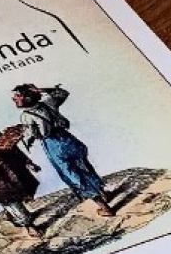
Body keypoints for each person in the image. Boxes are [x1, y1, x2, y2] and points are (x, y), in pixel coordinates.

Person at [12, 83, 113, 216]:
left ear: (27, 97)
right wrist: (40, 90)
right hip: (68, 139)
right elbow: (62, 93)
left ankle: (104, 207)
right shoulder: (48, 103)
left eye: (17, 96)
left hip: (53, 145)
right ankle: (104, 194)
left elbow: (34, 135)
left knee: (72, 175)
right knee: (84, 167)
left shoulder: (26, 116)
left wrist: (21, 138)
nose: (14, 99)